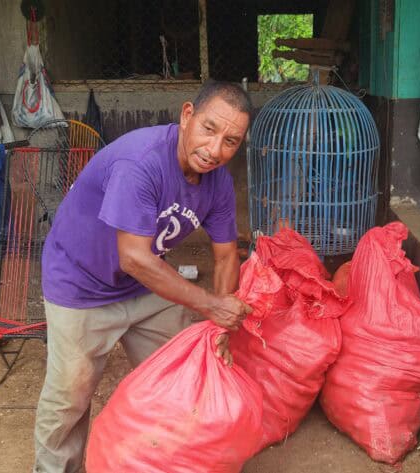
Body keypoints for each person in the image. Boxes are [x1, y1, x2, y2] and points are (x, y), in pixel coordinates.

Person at [33, 80, 254, 473]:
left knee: (187, 374)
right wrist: (211, 305)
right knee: (71, 396)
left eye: (231, 141)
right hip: (80, 284)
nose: (216, 150)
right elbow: (134, 257)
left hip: (144, 285)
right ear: (188, 115)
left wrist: (219, 328)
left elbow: (224, 257)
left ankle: (172, 461)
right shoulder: (142, 161)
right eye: (209, 129)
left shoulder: (218, 182)